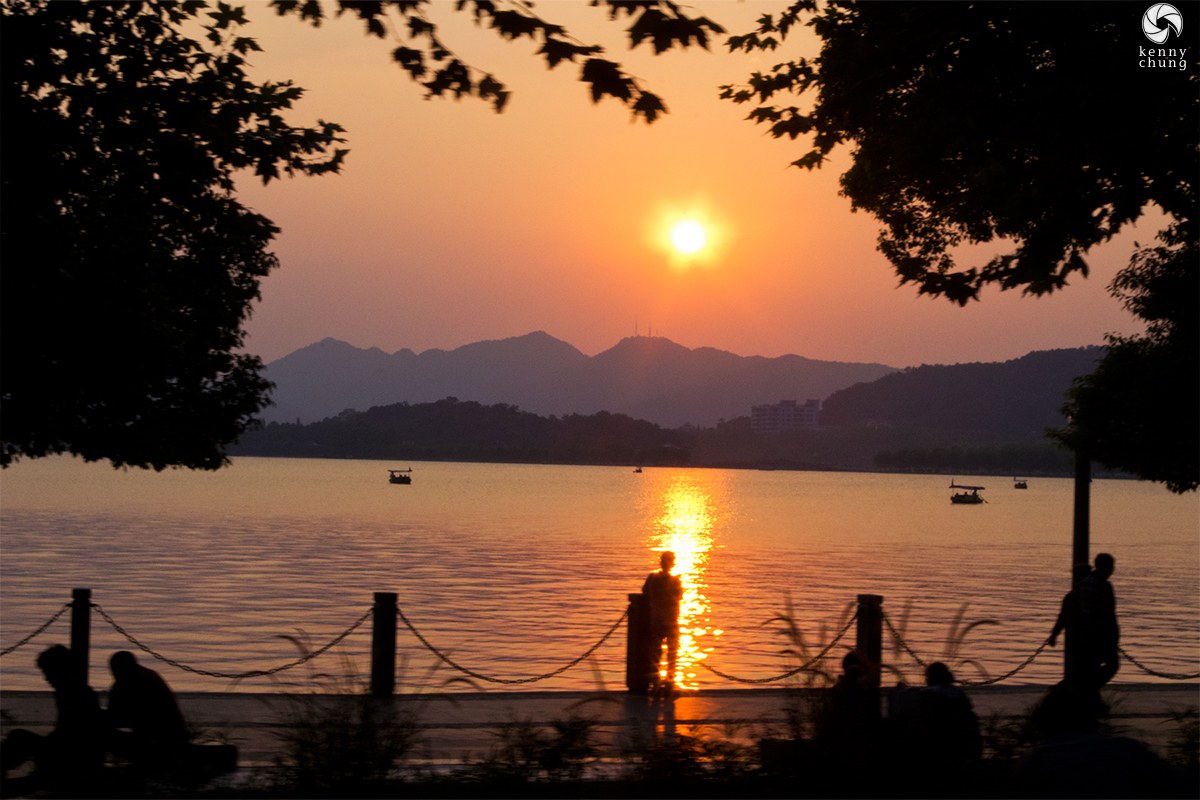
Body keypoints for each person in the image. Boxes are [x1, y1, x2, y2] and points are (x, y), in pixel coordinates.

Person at [0, 645, 105, 794]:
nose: (46, 677)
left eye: (47, 671)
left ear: (58, 669)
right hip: (74, 749)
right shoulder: (72, 689)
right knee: (19, 738)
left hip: (74, 753)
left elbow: (71, 732)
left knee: (18, 737)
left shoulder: (72, 691)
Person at [106, 650, 189, 768]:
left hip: (154, 743)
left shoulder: (126, 681)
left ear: (116, 668)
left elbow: (115, 719)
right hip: (174, 737)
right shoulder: (150, 674)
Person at [1076, 552, 1120, 690]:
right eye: (1111, 566)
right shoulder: (1103, 585)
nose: (1113, 570)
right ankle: (1089, 689)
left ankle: (1091, 696)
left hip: (1087, 632)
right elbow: (1107, 613)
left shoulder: (1086, 582)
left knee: (1093, 666)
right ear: (1106, 567)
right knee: (1112, 665)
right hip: (1101, 633)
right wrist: (1113, 634)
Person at [642, 551, 683, 691]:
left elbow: (645, 592)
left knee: (656, 653)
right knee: (672, 653)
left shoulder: (652, 578)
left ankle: (656, 681)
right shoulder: (675, 580)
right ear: (672, 563)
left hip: (656, 620)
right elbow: (679, 597)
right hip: (671, 622)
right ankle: (670, 681)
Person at [1049, 562, 1093, 682]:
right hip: (1089, 638)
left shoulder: (1071, 596)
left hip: (1074, 638)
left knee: (1080, 668)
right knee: (1087, 669)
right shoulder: (1092, 594)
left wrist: (1054, 635)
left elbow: (1062, 618)